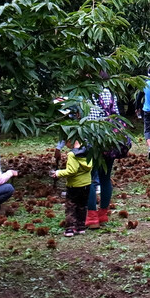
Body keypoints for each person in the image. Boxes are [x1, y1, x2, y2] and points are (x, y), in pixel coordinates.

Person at [85, 72, 121, 229]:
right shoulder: (110, 93)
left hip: (90, 140)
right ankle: (103, 214)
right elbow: (117, 116)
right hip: (108, 140)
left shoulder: (85, 94)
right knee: (105, 178)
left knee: (89, 178)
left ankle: (92, 216)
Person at [50, 142, 92, 236]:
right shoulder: (88, 151)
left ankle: (70, 228)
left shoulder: (72, 154)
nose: (65, 144)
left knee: (71, 206)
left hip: (74, 185)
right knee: (82, 205)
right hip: (86, 184)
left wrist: (58, 173)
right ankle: (81, 227)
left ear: (71, 141)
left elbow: (72, 171)